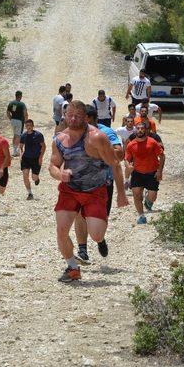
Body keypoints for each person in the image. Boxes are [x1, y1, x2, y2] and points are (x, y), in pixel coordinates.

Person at [49, 100, 120, 283]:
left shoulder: (97, 137)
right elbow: (52, 165)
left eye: (78, 116)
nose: (73, 119)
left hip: (95, 190)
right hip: (70, 190)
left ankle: (99, 238)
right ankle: (73, 267)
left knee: (96, 234)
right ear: (64, 116)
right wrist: (60, 174)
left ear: (85, 117)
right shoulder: (59, 139)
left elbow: (115, 163)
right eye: (70, 115)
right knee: (61, 230)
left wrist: (120, 193)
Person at [74, 105, 128, 265]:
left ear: (92, 120)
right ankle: (82, 251)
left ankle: (100, 238)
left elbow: (120, 154)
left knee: (98, 218)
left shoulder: (107, 133)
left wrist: (101, 148)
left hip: (103, 183)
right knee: (79, 214)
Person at [125, 122, 165, 225]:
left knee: (152, 197)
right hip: (137, 173)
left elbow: (162, 156)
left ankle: (148, 201)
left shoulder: (152, 142)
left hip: (152, 173)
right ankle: (141, 216)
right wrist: (128, 165)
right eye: (138, 128)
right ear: (135, 130)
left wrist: (160, 170)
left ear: (145, 130)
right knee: (137, 195)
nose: (140, 130)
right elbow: (126, 159)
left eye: (142, 128)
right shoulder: (131, 144)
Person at [19, 119, 46, 200]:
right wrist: (21, 155)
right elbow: (21, 146)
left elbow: (44, 146)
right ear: (25, 127)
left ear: (33, 126)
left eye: (30, 125)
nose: (28, 127)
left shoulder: (38, 135)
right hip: (26, 158)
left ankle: (37, 178)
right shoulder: (23, 135)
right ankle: (30, 193)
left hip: (36, 158)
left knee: (34, 177)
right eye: (27, 125)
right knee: (25, 176)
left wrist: (41, 157)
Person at [7, 90, 28, 157]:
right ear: (20, 96)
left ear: (15, 95)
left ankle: (14, 150)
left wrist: (11, 119)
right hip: (19, 121)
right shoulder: (22, 104)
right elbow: (25, 114)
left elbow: (8, 113)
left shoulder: (12, 103)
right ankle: (16, 151)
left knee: (15, 135)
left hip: (13, 120)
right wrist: (26, 122)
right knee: (18, 135)